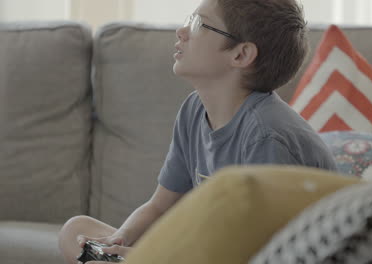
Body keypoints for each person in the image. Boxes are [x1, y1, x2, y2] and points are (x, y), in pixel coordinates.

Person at [58, 0, 337, 263]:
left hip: (258, 255)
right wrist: (120, 238)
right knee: (76, 230)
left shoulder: (266, 136)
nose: (181, 31)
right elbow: (159, 207)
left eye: (198, 25)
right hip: (216, 252)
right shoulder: (194, 110)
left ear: (240, 54)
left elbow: (258, 251)